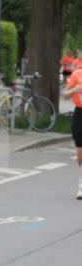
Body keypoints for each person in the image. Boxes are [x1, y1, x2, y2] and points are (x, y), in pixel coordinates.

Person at [62, 60, 82, 199]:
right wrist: (75, 89)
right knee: (80, 154)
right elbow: (65, 95)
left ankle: (80, 188)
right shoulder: (77, 74)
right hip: (79, 114)